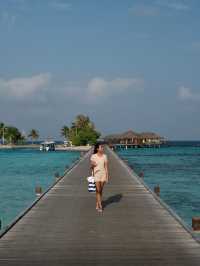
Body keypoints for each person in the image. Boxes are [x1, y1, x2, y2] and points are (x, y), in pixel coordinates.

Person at [90, 143, 109, 212]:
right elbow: (91, 167)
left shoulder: (105, 156)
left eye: (102, 147)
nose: (102, 148)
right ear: (97, 149)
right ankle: (100, 206)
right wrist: (93, 165)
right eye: (101, 147)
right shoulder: (93, 156)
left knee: (100, 190)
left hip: (103, 174)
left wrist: (107, 176)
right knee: (98, 190)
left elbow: (106, 167)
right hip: (96, 174)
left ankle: (97, 203)